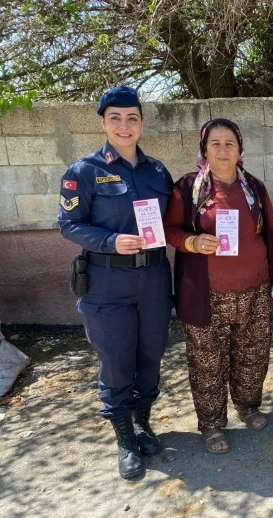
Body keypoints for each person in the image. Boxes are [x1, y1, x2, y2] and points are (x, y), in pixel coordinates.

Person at [57, 86, 173, 480]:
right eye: (116, 118)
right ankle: (124, 437)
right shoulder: (83, 171)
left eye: (132, 118)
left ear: (141, 122)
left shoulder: (157, 171)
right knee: (116, 358)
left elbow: (171, 222)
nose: (125, 126)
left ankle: (142, 422)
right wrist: (109, 241)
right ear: (104, 122)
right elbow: (68, 224)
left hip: (154, 276)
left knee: (151, 353)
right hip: (108, 279)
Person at [163, 118, 273, 454]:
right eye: (215, 144)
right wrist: (193, 242)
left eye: (229, 143)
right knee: (207, 361)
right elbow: (170, 230)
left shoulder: (254, 187)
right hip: (206, 293)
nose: (223, 150)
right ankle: (211, 424)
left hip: (253, 289)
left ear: (240, 150)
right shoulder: (189, 188)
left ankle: (248, 407)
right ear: (204, 149)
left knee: (252, 355)